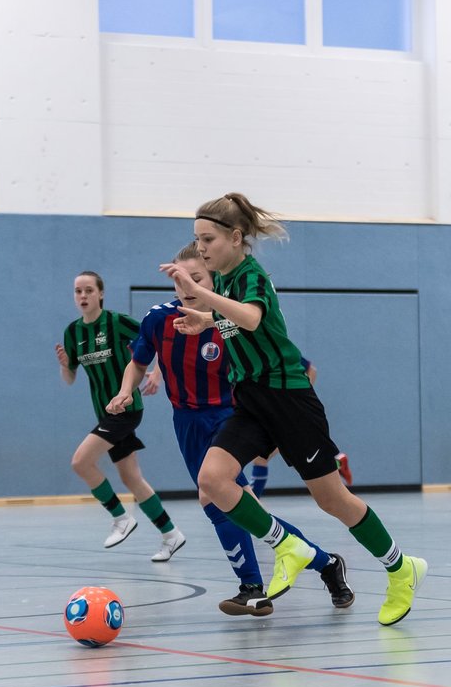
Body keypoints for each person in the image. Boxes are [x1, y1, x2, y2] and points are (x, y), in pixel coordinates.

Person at [160, 193, 427, 626]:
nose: (202, 247)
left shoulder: (251, 276)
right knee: (212, 479)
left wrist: (200, 298)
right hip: (250, 401)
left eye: (208, 238)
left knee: (332, 499)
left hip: (288, 400)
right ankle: (288, 545)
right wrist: (206, 320)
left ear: (235, 236)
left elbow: (250, 318)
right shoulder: (224, 281)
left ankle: (401, 568)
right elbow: (236, 322)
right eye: (197, 239)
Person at [106, 244, 354, 616]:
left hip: (230, 415)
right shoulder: (158, 320)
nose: (187, 287)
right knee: (232, 507)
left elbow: (292, 363)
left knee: (217, 498)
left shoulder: (236, 319)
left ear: (214, 280)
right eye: (180, 279)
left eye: (197, 278)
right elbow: (138, 363)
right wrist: (126, 390)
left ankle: (252, 586)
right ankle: (323, 564)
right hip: (186, 422)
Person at [56, 271, 185, 560]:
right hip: (105, 412)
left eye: (89, 290)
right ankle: (171, 534)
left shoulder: (116, 322)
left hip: (125, 408)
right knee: (131, 478)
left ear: (100, 293)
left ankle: (121, 518)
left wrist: (157, 372)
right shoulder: (73, 333)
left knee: (80, 462)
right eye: (78, 291)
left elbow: (158, 339)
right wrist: (65, 365)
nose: (83, 296)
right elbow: (70, 378)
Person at [248, 358, 353, 495]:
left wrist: (296, 400)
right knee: (270, 455)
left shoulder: (271, 350)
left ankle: (252, 507)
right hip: (270, 412)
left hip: (285, 412)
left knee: (260, 458)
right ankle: (336, 461)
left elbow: (311, 370)